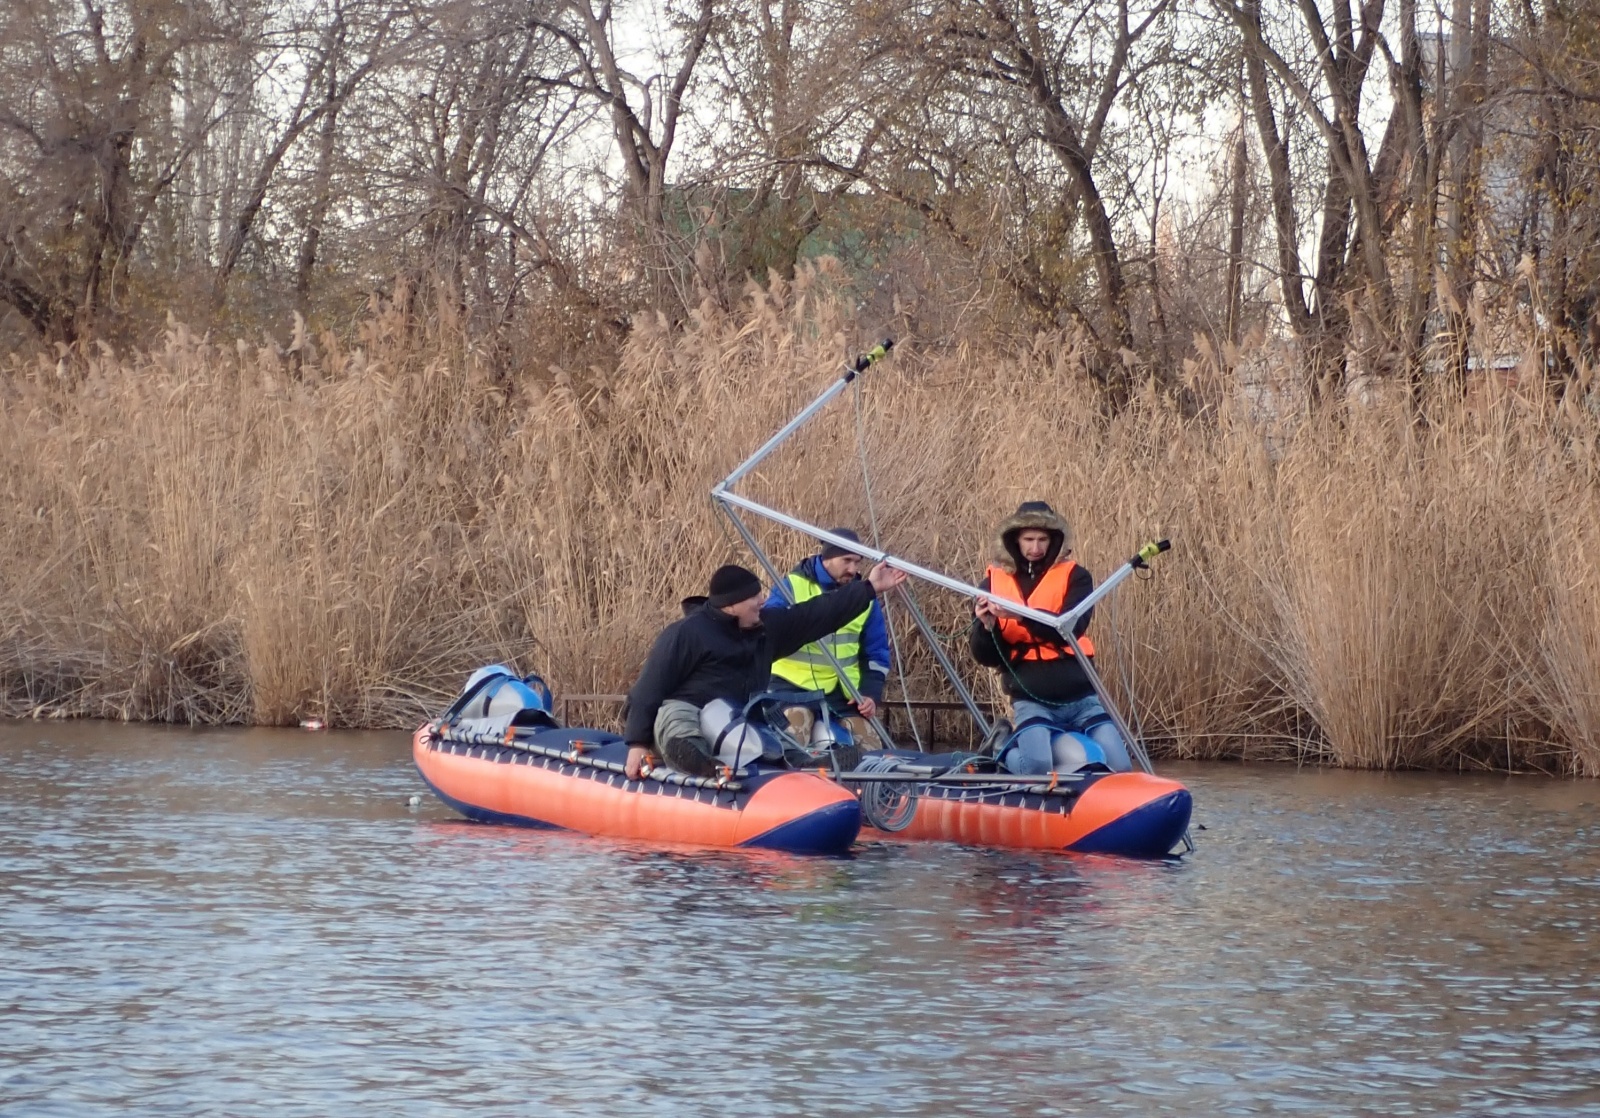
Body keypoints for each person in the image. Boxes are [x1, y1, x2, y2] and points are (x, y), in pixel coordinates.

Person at [624, 560, 907, 779]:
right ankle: (700, 762)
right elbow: (649, 688)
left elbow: (816, 614)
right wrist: (637, 744)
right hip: (688, 712)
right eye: (754, 597)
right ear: (732, 604)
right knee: (678, 723)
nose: (762, 601)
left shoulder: (764, 629)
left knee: (769, 737)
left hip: (736, 719)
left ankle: (804, 764)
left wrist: (868, 588)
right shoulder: (686, 634)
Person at [969, 501, 1133, 774]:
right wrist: (988, 627)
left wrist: (1020, 615)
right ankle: (1000, 749)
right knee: (1037, 766)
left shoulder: (1077, 577)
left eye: (1042, 540)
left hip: (1081, 699)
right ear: (1016, 541)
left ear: (1054, 540)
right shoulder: (991, 585)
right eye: (1029, 540)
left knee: (1121, 766)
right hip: (1032, 700)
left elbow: (1071, 628)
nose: (1036, 548)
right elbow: (984, 656)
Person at [766, 528, 892, 732]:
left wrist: (870, 693)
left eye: (857, 562)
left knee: (868, 746)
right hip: (790, 689)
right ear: (827, 558)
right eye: (846, 560)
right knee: (794, 735)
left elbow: (876, 653)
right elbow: (770, 631)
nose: (853, 569)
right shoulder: (791, 586)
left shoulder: (866, 597)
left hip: (844, 695)